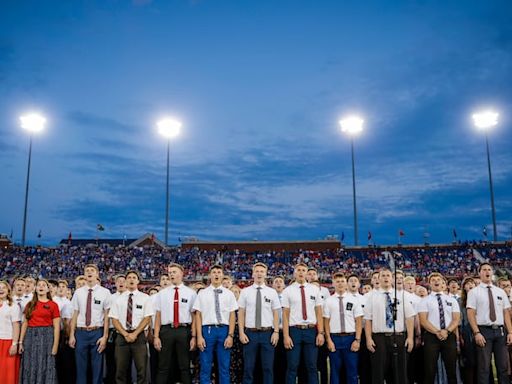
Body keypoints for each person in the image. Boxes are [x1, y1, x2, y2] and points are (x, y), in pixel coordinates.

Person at [364, 268, 415, 384]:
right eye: (383, 276)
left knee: (400, 372)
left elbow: (410, 317)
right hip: (379, 338)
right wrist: (368, 338)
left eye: (388, 275)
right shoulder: (372, 297)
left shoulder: (402, 296)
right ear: (379, 279)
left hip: (399, 336)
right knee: (378, 371)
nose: (386, 278)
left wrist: (410, 337)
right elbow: (368, 319)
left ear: (392, 279)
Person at [467, 262, 512, 384]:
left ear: (492, 273)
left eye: (489, 269)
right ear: (479, 273)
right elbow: (470, 313)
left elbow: (505, 313)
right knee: (484, 367)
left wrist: (510, 332)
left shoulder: (500, 292)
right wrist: (476, 332)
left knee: (503, 366)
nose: (487, 271)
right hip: (483, 331)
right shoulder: (473, 292)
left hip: (500, 331)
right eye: (484, 269)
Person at [193, 265, 238, 384]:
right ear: (210, 275)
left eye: (219, 272)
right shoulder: (202, 293)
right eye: (214, 272)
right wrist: (199, 336)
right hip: (207, 330)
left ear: (222, 275)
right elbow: (198, 315)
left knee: (224, 366)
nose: (216, 274)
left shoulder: (229, 294)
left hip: (224, 330)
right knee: (205, 366)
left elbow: (232, 315)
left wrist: (230, 335)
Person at [153, 263, 197, 384]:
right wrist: (156, 336)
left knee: (184, 366)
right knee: (163, 366)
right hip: (166, 330)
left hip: (184, 331)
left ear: (182, 273)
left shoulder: (191, 293)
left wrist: (194, 336)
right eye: (170, 272)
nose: (171, 274)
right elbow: (158, 316)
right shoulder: (162, 293)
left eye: (174, 272)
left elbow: (194, 316)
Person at [281, 263, 324, 384]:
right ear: (294, 273)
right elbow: (285, 315)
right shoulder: (288, 291)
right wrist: (286, 336)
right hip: (294, 331)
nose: (301, 272)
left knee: (312, 366)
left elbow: (319, 313)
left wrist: (320, 332)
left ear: (307, 273)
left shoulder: (314, 289)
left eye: (303, 270)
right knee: (292, 366)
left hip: (311, 330)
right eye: (298, 270)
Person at [238, 262, 280, 384]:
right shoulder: (245, 291)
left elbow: (276, 313)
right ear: (253, 274)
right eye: (257, 271)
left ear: (266, 274)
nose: (259, 273)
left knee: (267, 368)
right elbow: (241, 313)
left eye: (262, 271)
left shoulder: (272, 292)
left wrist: (276, 331)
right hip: (250, 334)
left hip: (267, 333)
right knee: (248, 368)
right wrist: (241, 332)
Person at [69, 264, 111, 384]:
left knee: (97, 366)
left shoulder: (105, 292)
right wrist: (72, 335)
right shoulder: (78, 292)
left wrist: (105, 336)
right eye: (87, 270)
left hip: (97, 331)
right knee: (80, 366)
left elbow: (107, 316)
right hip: (81, 332)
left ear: (97, 274)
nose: (89, 272)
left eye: (92, 270)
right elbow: (75, 314)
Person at [109, 270, 153, 384]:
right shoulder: (117, 299)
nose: (132, 279)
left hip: (139, 336)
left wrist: (134, 333)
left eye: (134, 277)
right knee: (120, 370)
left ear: (138, 281)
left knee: (141, 369)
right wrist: (125, 334)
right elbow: (114, 319)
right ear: (126, 281)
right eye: (129, 278)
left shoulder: (145, 298)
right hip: (121, 336)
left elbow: (147, 318)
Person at [418, 272, 460, 384]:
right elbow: (423, 320)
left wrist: (447, 331)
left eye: (438, 279)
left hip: (449, 335)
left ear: (443, 283)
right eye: (433, 280)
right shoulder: (424, 300)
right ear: (429, 284)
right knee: (430, 370)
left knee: (451, 370)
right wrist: (437, 332)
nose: (436, 281)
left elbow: (456, 319)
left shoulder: (452, 300)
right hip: (431, 337)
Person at [323, 273, 363, 384]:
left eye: (342, 281)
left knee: (352, 370)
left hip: (350, 338)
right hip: (334, 338)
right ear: (333, 284)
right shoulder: (328, 301)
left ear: (346, 283)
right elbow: (326, 322)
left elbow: (358, 321)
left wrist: (357, 340)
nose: (340, 284)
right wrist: (329, 340)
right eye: (337, 281)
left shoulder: (354, 300)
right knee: (335, 371)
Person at [19, 279, 60, 384]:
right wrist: (20, 342)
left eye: (44, 285)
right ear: (35, 289)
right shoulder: (29, 304)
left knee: (46, 364)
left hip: (47, 336)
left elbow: (56, 327)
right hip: (30, 337)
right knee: (30, 363)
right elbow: (25, 323)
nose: (41, 287)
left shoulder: (53, 305)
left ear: (47, 289)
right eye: (39, 285)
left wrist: (55, 345)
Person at [105, 274, 126, 384]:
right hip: (112, 332)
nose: (121, 283)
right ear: (115, 283)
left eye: (123, 281)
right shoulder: (111, 298)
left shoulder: (132, 297)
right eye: (119, 281)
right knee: (111, 360)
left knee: (125, 362)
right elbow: (106, 316)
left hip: (127, 332)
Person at [0, 280, 22, 384]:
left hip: (7, 341)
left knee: (7, 372)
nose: (1, 289)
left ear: (8, 290)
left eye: (3, 287)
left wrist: (14, 344)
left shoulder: (13, 305)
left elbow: (16, 326)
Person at [272, 275, 287, 384]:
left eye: (280, 281)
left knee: (285, 361)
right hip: (272, 333)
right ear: (272, 285)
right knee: (273, 361)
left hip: (286, 332)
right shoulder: (269, 297)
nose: (278, 283)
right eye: (276, 281)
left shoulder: (288, 297)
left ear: (284, 285)